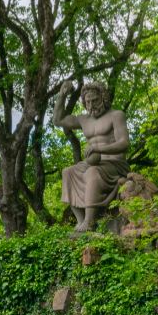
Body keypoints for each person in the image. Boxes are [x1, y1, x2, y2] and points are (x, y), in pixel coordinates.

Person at [53, 80, 130, 232]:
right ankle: (80, 221)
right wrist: (62, 95)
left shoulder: (116, 115)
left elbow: (124, 143)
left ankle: (89, 221)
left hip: (115, 164)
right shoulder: (83, 120)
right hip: (93, 162)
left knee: (92, 172)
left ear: (103, 98)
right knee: (68, 172)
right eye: (87, 102)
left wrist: (100, 149)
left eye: (94, 100)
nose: (91, 105)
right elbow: (58, 120)